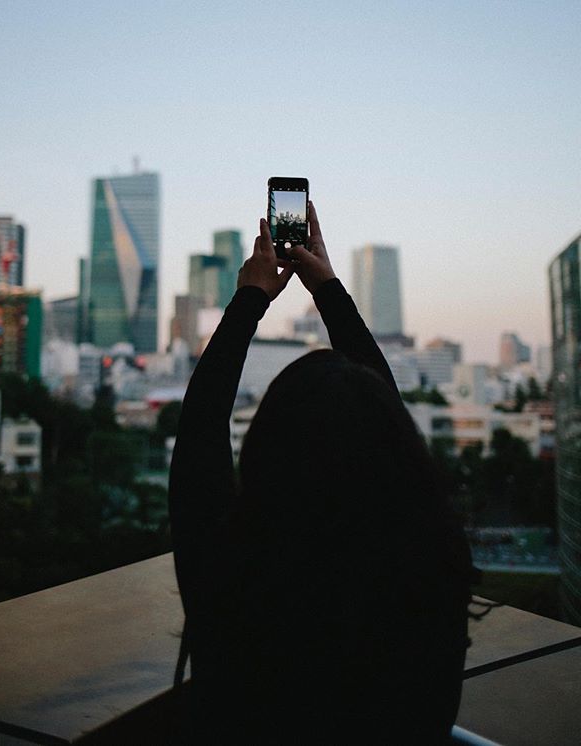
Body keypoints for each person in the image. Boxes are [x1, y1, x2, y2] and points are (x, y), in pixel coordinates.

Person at [168, 203, 473, 744]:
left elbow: (199, 434)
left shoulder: (234, 575)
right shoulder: (430, 572)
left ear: (264, 451)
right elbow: (384, 418)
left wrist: (250, 299)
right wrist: (327, 286)